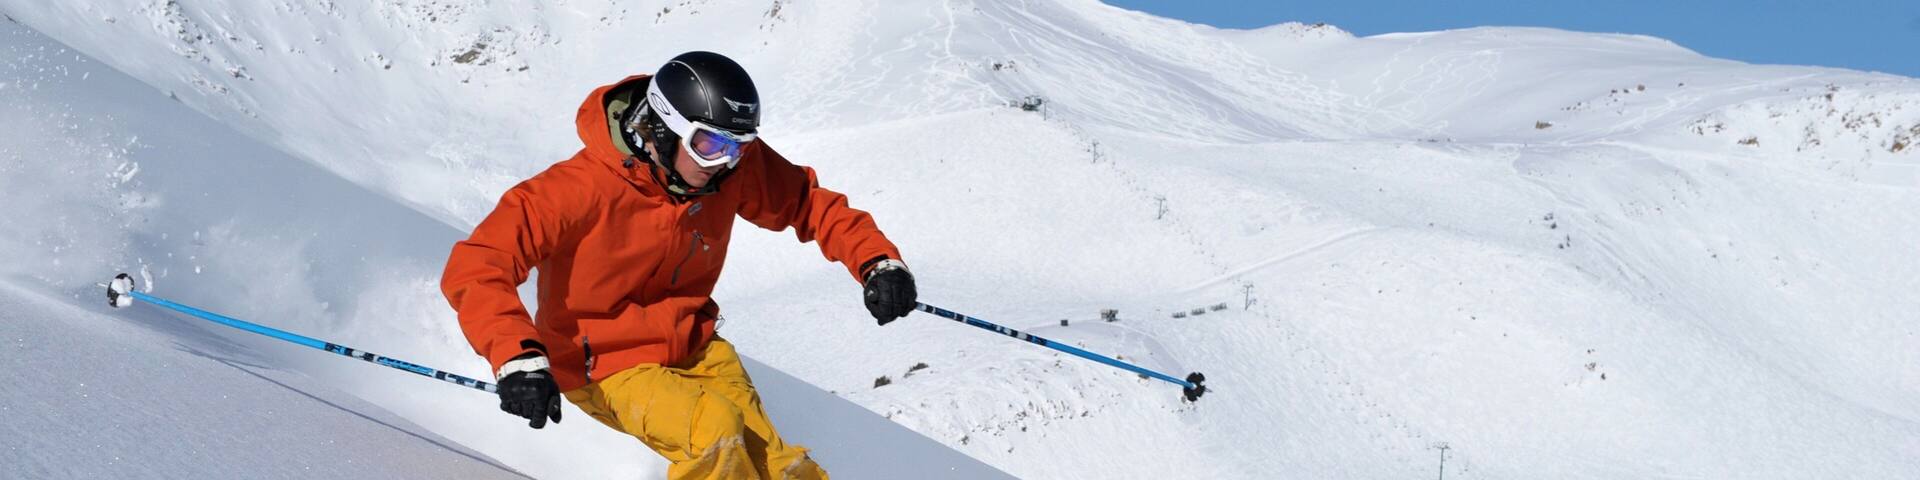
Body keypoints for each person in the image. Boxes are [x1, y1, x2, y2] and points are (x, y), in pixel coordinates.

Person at [440, 51, 918, 480]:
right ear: (662, 128)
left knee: (781, 467)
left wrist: (878, 261)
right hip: (604, 363)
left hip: (696, 346)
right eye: (710, 146)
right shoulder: (573, 191)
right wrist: (517, 358)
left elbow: (808, 204)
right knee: (715, 434)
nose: (726, 163)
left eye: (741, 146)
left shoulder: (725, 169)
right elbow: (479, 265)